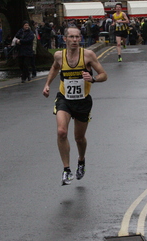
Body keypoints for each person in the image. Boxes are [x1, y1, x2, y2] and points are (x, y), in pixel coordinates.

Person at [42, 27, 108, 186]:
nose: (75, 40)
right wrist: (47, 84)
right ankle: (66, 169)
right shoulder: (59, 56)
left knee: (79, 138)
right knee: (61, 132)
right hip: (64, 99)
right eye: (71, 37)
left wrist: (92, 79)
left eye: (77, 37)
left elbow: (104, 75)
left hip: (82, 101)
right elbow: (55, 68)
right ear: (64, 39)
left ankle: (81, 160)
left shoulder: (88, 56)